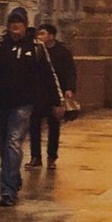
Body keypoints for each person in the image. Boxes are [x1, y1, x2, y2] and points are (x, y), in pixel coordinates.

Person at [0, 7, 62, 207]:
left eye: (18, 23)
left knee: (13, 143)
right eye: (12, 23)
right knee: (4, 146)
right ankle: (14, 178)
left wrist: (57, 101)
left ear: (25, 25)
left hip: (22, 105)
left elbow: (48, 75)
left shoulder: (36, 48)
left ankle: (7, 192)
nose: (15, 27)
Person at [31, 22, 78, 167]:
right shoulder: (36, 50)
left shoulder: (62, 51)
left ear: (51, 36)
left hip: (55, 95)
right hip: (38, 94)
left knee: (54, 126)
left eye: (42, 34)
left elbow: (71, 71)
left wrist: (69, 89)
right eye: (38, 34)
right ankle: (35, 157)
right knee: (34, 126)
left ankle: (52, 157)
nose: (39, 37)